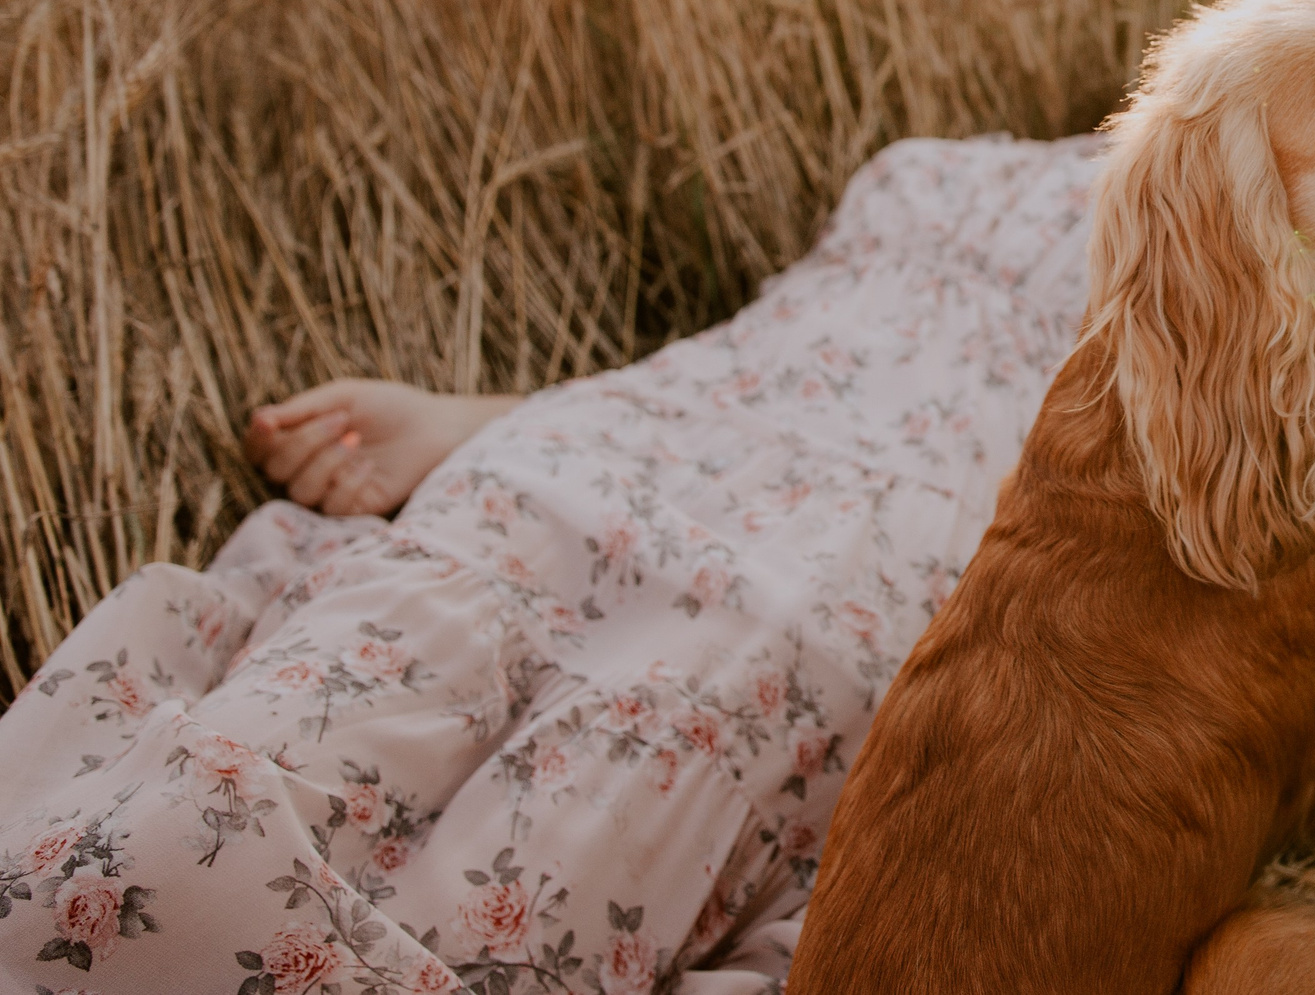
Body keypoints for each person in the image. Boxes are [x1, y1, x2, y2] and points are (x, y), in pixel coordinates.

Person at [0, 134, 1105, 994]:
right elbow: (767, 342)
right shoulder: (941, 166)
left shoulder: (1247, 263)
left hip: (862, 560)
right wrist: (488, 421)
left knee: (643, 764)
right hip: (622, 445)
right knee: (159, 843)